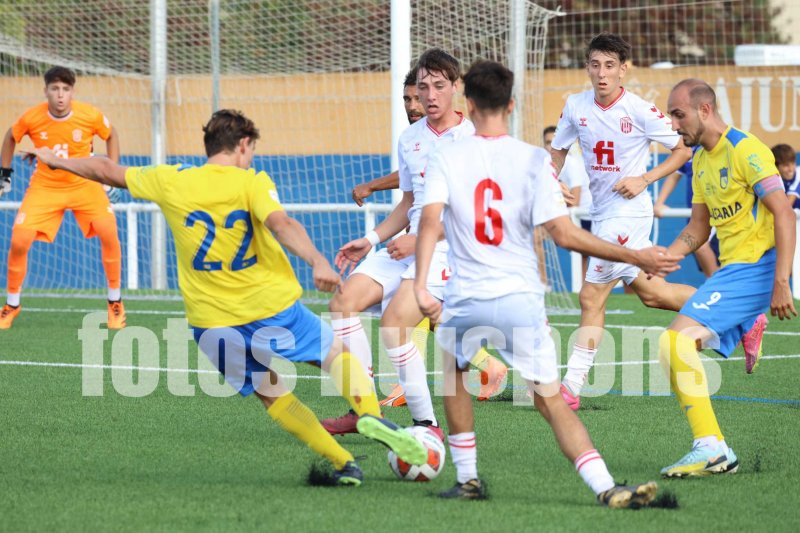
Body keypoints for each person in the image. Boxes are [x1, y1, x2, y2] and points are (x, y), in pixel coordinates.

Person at [30, 109, 427, 486]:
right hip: (269, 308)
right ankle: (371, 416)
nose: (251, 158)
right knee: (338, 356)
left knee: (272, 394)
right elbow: (281, 223)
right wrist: (317, 260)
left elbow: (105, 169)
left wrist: (55, 160)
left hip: (211, 325)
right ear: (242, 145)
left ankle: (343, 463)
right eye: (251, 150)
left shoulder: (171, 179)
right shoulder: (250, 182)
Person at [414, 60, 676, 506]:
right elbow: (566, 235)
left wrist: (422, 285)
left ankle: (468, 479)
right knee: (550, 398)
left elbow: (428, 222)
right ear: (511, 106)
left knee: (454, 374)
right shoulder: (534, 160)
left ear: (468, 103)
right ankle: (605, 486)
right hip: (521, 297)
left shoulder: (447, 156)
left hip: (466, 296)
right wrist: (636, 255)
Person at [322, 49, 507, 438]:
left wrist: (420, 238)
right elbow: (409, 203)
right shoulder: (410, 139)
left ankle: (427, 426)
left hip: (449, 248)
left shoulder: (475, 138)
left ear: (455, 87)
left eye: (439, 85)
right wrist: (371, 239)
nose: (430, 95)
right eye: (423, 87)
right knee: (342, 303)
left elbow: (476, 212)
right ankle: (363, 409)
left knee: (394, 325)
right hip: (409, 244)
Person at [551, 32, 705, 410]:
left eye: (609, 66)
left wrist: (644, 179)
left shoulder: (638, 109)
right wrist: (551, 181)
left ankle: (570, 387)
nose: (601, 73)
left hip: (628, 211)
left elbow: (682, 151)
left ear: (624, 69)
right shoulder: (575, 105)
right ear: (587, 68)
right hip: (603, 211)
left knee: (591, 296)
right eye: (595, 65)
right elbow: (556, 151)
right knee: (654, 295)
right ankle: (738, 314)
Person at [658, 79, 796, 477]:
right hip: (733, 271)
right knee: (674, 346)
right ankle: (712, 447)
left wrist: (781, 282)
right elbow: (698, 228)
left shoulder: (746, 149)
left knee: (675, 342)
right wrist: (666, 257)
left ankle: (711, 448)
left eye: (678, 115)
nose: (674, 125)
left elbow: (785, 214)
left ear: (705, 110)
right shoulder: (701, 161)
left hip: (758, 267)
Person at [0, 66, 126, 330]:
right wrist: (5, 174)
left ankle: (115, 301)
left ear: (72, 92)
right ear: (45, 90)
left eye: (65, 89)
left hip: (85, 183)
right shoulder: (32, 117)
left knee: (109, 232)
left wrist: (111, 172)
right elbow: (10, 136)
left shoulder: (89, 115)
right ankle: (12, 304)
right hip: (46, 186)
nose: (60, 95)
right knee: (20, 239)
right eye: (55, 89)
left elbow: (112, 134)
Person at [350, 67, 424, 207]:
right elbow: (408, 199)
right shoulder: (407, 138)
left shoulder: (455, 133)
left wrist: (371, 186)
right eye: (407, 99)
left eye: (418, 99)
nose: (412, 107)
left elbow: (417, 171)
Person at [654, 150, 720, 277]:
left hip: (720, 216)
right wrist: (659, 202)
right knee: (700, 248)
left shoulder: (726, 150)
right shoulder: (689, 151)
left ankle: (715, 284)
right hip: (698, 217)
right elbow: (674, 175)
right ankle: (714, 283)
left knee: (713, 255)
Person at [544, 125, 593, 280]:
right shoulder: (545, 166)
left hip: (587, 217)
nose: (550, 146)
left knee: (614, 263)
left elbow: (574, 201)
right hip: (571, 216)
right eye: (547, 142)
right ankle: (544, 283)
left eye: (554, 142)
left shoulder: (571, 164)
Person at [771, 143, 800, 209]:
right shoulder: (773, 179)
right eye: (786, 165)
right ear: (776, 166)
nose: (791, 169)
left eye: (793, 163)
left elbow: (786, 207)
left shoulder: (798, 175)